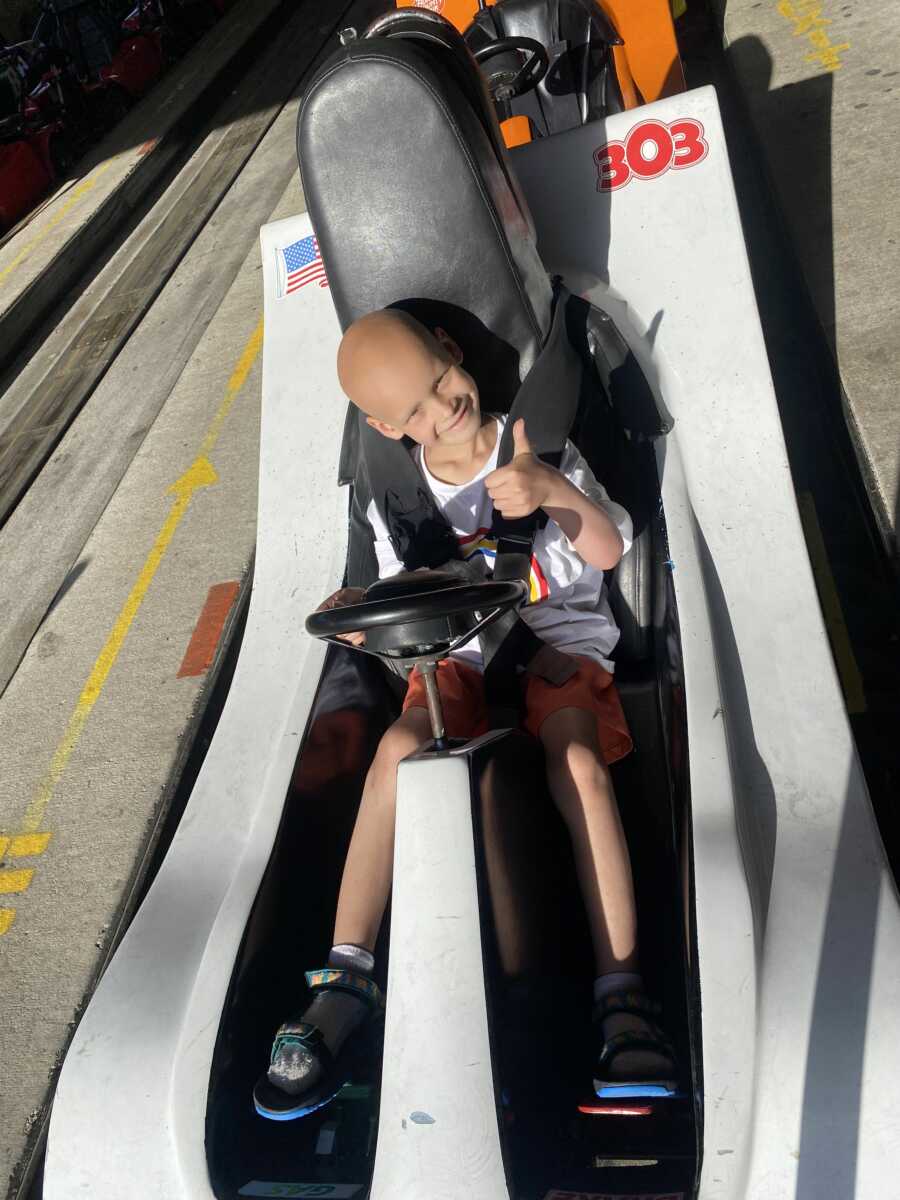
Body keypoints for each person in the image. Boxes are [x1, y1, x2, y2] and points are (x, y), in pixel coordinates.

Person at [254, 308, 677, 1120]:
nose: (441, 408)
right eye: (412, 409)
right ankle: (346, 974)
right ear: (384, 426)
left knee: (579, 764)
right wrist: (362, 608)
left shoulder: (540, 439)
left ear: (452, 351)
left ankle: (622, 994)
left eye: (440, 381)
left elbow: (612, 548)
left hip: (562, 648)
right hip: (454, 658)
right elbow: (398, 592)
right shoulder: (397, 493)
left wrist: (554, 492)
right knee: (396, 752)